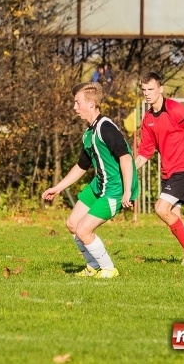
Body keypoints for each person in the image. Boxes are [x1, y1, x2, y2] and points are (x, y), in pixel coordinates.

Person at [41, 82, 138, 279]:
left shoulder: (106, 128)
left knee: (84, 230)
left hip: (115, 189)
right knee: (72, 223)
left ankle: (109, 269)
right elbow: (81, 167)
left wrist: (127, 191)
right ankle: (93, 265)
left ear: (92, 103)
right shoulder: (88, 133)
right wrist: (57, 188)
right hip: (99, 186)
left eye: (77, 103)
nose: (74, 107)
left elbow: (126, 158)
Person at [134, 72, 184, 268]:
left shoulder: (175, 109)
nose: (147, 94)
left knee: (161, 208)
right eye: (144, 90)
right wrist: (129, 170)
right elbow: (145, 152)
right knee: (175, 217)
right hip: (168, 172)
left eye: (151, 89)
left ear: (160, 89)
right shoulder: (148, 119)